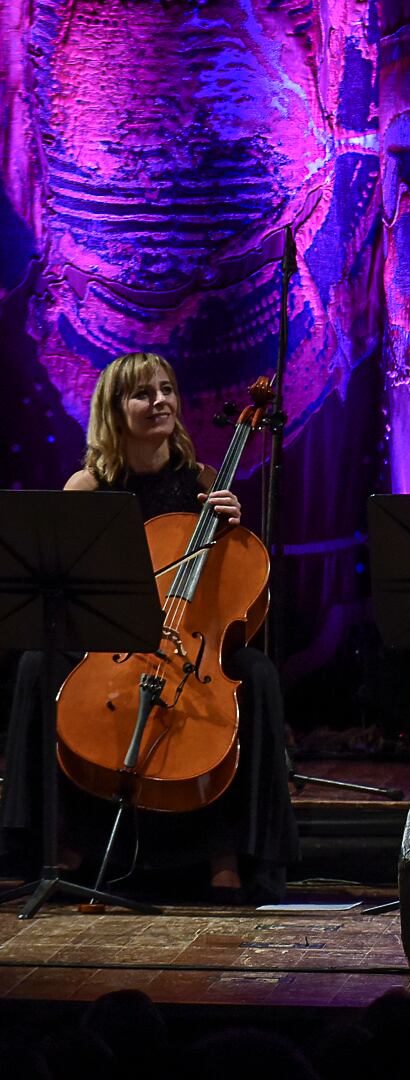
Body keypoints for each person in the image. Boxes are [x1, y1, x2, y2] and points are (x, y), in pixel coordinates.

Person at [0, 352, 297, 902]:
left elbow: (232, 593)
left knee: (255, 674)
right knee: (38, 664)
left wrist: (232, 530)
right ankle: (50, 843)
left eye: (166, 390)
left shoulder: (205, 483)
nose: (160, 402)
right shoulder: (88, 487)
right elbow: (66, 595)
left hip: (187, 647)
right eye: (143, 394)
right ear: (114, 410)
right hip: (107, 641)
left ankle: (229, 852)